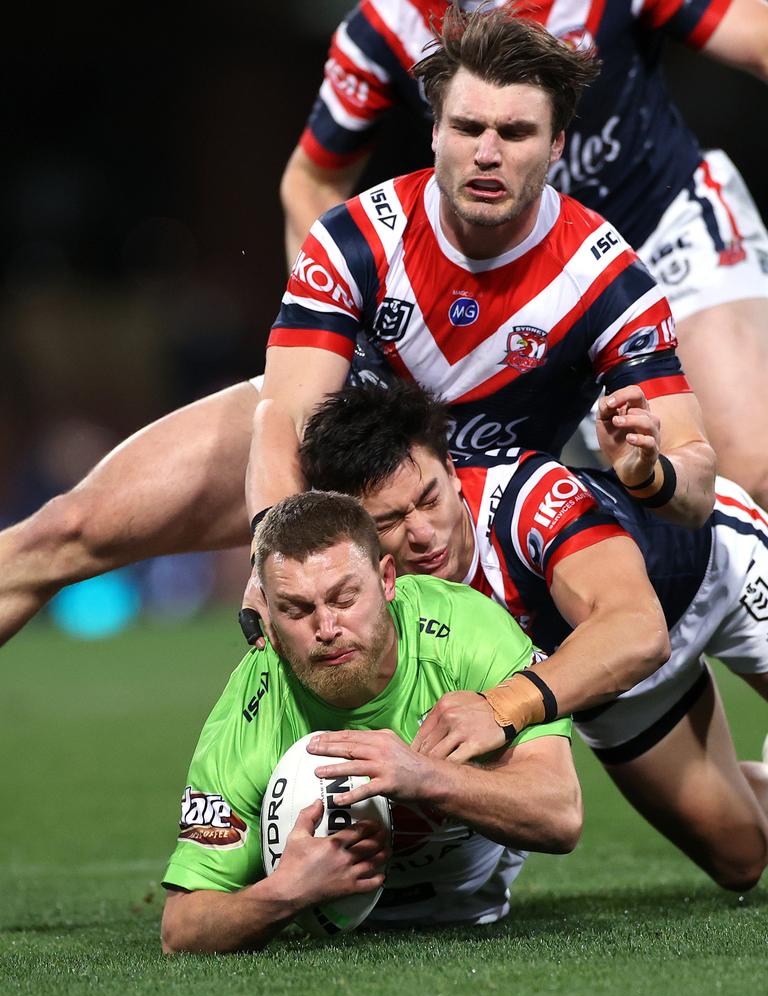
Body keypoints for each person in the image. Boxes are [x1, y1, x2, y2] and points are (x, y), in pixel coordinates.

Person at [0, 5, 716, 648]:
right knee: (66, 530)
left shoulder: (608, 280)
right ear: (434, 130)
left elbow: (695, 485)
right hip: (334, 454)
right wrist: (273, 551)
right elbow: (287, 418)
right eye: (467, 128)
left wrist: (649, 472)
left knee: (696, 800)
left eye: (515, 131)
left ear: (557, 145)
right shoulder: (358, 238)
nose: (488, 152)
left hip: (468, 515)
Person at [283, 0, 768, 504]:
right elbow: (311, 180)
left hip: (664, 227)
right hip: (518, 280)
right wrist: (327, 323)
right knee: (415, 503)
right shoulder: (385, 24)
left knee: (750, 473)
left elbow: (759, 36)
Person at [298, 379, 768, 891]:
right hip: (607, 668)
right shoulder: (364, 579)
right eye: (388, 521)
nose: (423, 534)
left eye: (429, 499)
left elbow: (639, 630)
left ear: (453, 471)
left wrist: (502, 706)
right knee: (741, 859)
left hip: (718, 568)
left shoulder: (525, 496)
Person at [160, 491, 580, 954]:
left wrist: (424, 777)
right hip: (323, 942)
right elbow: (181, 929)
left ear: (386, 579)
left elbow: (560, 816)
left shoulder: (469, 631)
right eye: (297, 611)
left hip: (472, 911)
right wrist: (285, 893)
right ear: (270, 622)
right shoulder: (251, 708)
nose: (326, 628)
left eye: (344, 597)